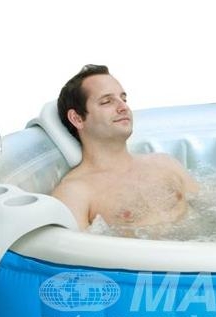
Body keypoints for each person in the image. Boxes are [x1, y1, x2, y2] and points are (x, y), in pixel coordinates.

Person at [52, 65, 199, 232]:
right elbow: (71, 248)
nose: (123, 107)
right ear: (77, 118)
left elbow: (209, 210)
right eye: (107, 101)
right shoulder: (75, 192)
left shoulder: (166, 164)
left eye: (123, 99)